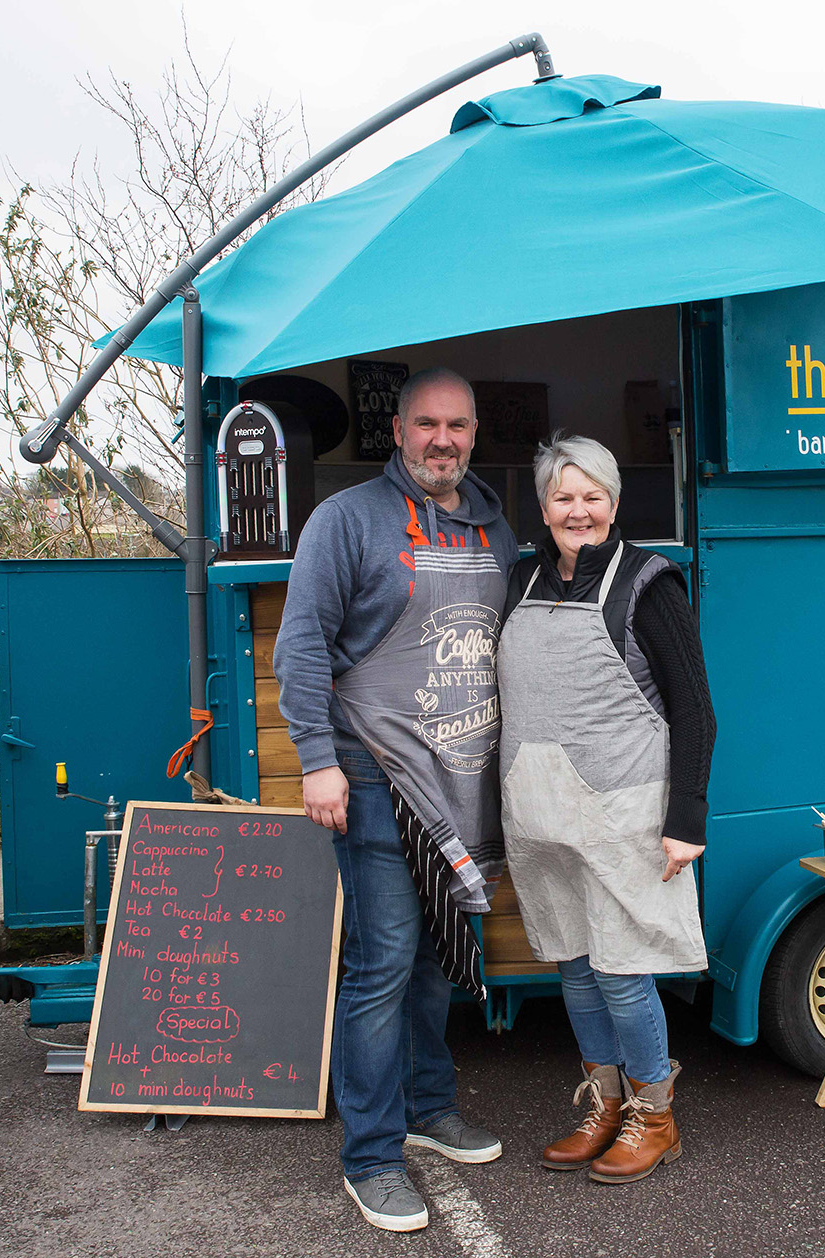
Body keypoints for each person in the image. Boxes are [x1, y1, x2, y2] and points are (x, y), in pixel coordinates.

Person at [274, 367, 519, 1233]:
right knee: (382, 965)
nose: (441, 440)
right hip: (375, 775)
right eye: (426, 424)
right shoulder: (347, 520)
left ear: (474, 433)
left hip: (462, 778)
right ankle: (372, 1156)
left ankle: (427, 1106)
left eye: (457, 426)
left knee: (434, 958)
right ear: (399, 432)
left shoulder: (494, 525)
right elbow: (301, 643)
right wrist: (315, 759)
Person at [496, 433, 716, 1185]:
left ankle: (655, 1117)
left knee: (623, 972)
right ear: (544, 507)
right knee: (577, 969)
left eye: (593, 496)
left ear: (614, 504)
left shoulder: (648, 584)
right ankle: (605, 1105)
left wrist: (686, 819)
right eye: (563, 496)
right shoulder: (522, 579)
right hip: (542, 813)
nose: (578, 510)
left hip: (625, 812)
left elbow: (695, 710)